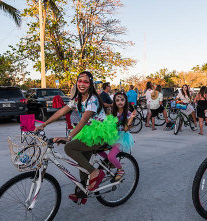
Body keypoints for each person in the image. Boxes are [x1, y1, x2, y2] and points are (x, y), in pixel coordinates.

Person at [36, 71, 119, 204]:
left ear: (90, 84)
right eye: (80, 80)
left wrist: (68, 137)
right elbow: (61, 111)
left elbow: (83, 120)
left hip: (99, 133)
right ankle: (83, 192)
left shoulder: (92, 99)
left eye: (86, 81)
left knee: (70, 148)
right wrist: (44, 124)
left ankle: (95, 173)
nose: (82, 84)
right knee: (82, 162)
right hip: (88, 131)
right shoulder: (77, 99)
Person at [99, 92, 136, 181]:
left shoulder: (128, 113)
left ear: (125, 101)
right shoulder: (112, 112)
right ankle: (109, 162)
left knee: (111, 156)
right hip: (112, 136)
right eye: (117, 100)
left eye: (122, 100)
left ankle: (120, 170)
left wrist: (131, 118)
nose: (120, 102)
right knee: (97, 148)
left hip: (121, 138)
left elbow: (126, 129)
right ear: (114, 102)